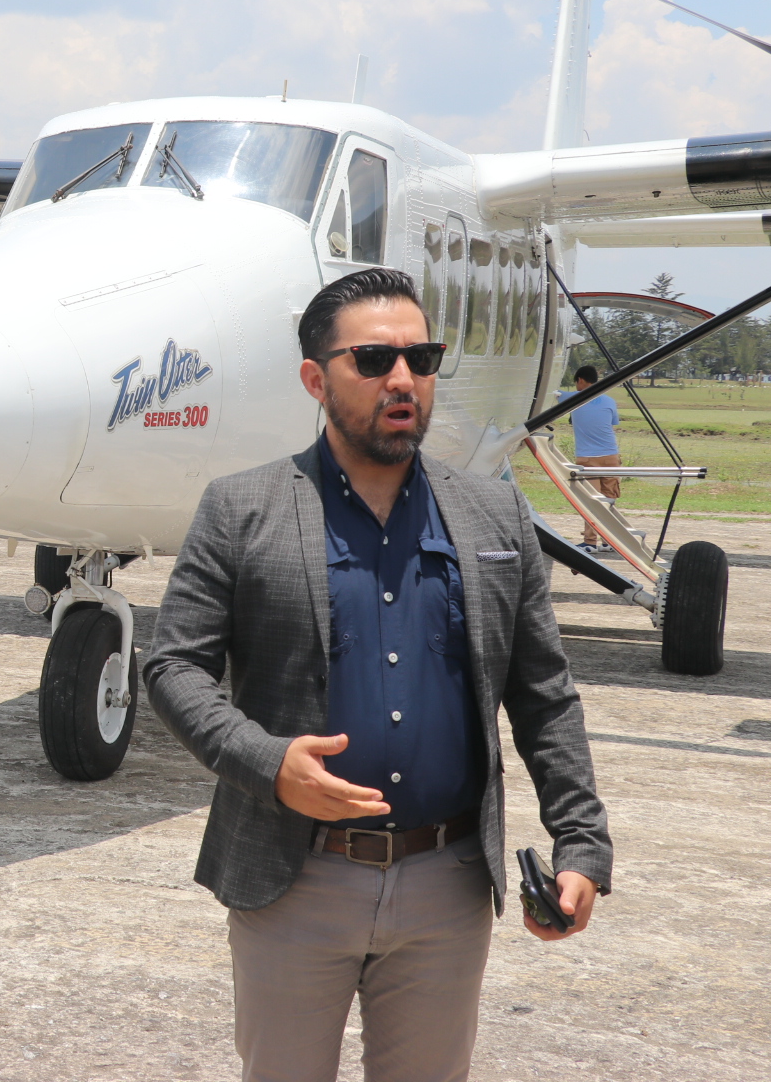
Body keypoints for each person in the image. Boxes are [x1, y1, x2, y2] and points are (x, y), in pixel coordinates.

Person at [143, 267, 612, 1082]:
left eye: (421, 358)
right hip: (295, 879)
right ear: (315, 379)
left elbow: (544, 695)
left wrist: (581, 841)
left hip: (448, 884)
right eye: (373, 360)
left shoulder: (495, 515)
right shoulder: (240, 509)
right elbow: (175, 666)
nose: (403, 379)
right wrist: (267, 762)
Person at [557, 365, 621, 550]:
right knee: (609, 499)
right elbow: (612, 423)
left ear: (581, 380)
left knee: (592, 501)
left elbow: (554, 394)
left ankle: (590, 542)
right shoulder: (610, 401)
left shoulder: (572, 398)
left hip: (588, 459)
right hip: (611, 456)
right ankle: (609, 541)